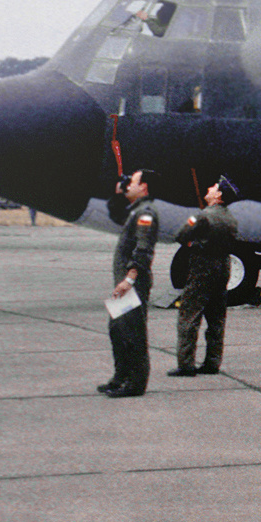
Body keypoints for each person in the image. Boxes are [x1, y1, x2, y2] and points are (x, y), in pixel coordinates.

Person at [170, 175, 240, 377]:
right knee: (217, 317)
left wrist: (194, 245)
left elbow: (181, 235)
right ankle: (212, 363)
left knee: (189, 314)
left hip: (202, 266)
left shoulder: (202, 216)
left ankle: (186, 364)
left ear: (218, 195)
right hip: (223, 266)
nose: (209, 188)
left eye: (214, 187)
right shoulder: (231, 219)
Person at [102, 169, 159, 398]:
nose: (128, 185)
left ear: (144, 187)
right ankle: (120, 377)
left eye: (132, 182)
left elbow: (144, 249)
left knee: (133, 333)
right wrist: (118, 193)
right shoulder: (136, 210)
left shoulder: (147, 213)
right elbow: (116, 215)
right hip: (124, 284)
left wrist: (129, 279)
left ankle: (135, 384)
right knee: (117, 329)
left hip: (131, 283)